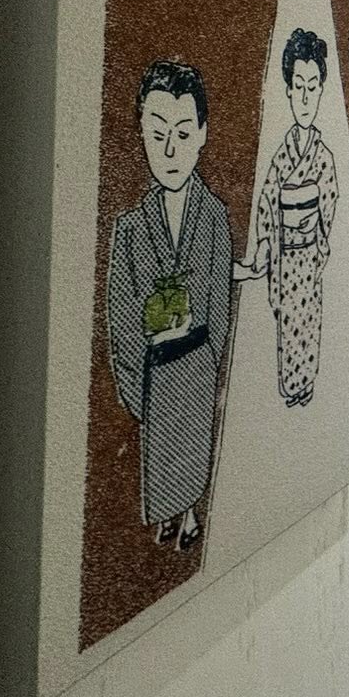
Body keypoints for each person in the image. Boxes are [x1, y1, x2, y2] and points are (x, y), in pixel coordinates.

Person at [105, 60, 234, 552]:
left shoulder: (214, 215)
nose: (170, 151)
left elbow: (218, 305)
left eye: (182, 134)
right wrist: (138, 387)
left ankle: (189, 516)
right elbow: (121, 318)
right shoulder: (131, 228)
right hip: (154, 373)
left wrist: (207, 362)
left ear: (202, 135)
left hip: (196, 367)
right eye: (157, 134)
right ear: (141, 134)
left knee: (192, 456)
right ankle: (167, 519)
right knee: (162, 461)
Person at [234, 28, 338, 408]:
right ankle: (291, 385)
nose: (306, 97)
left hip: (308, 256)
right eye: (299, 87)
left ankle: (305, 384)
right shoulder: (282, 154)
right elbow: (267, 200)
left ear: (321, 90)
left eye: (313, 86)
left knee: (308, 321)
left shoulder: (323, 157)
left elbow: (329, 200)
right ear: (289, 90)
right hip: (284, 256)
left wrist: (315, 228)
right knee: (288, 323)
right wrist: (266, 243)